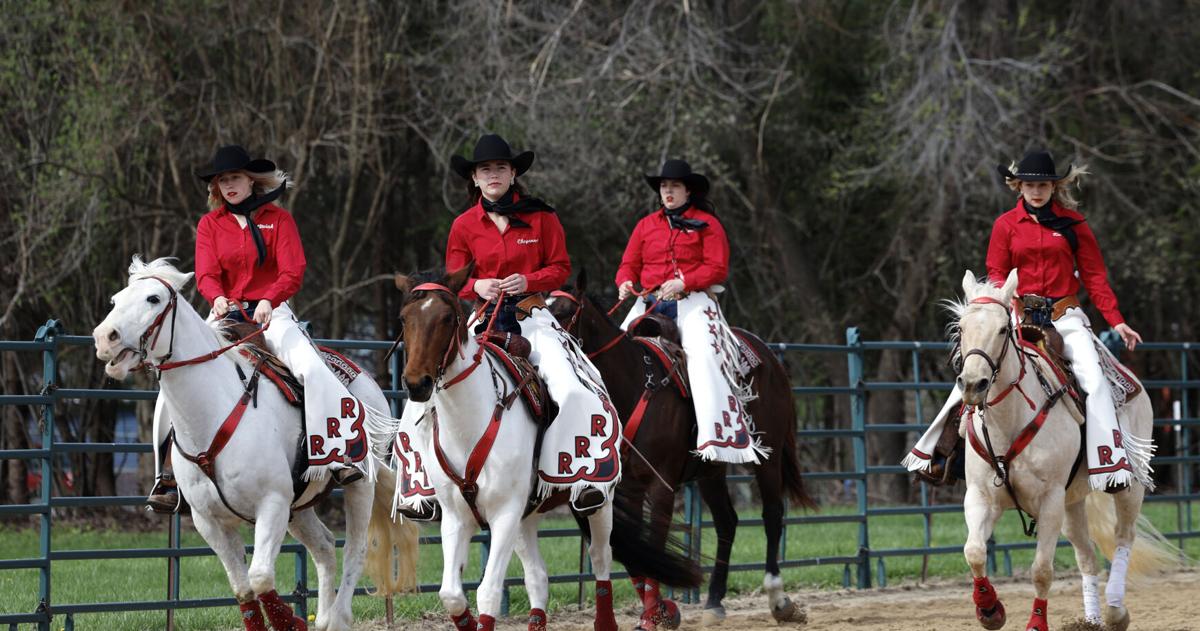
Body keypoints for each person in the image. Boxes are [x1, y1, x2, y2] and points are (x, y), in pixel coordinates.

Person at [146, 145, 380, 512]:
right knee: (170, 384)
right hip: (225, 315)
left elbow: (293, 270)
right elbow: (206, 273)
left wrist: (271, 299)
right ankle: (166, 476)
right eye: (222, 180)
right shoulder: (210, 224)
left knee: (313, 369)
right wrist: (216, 296)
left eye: (235, 177)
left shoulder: (279, 220)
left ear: (251, 180)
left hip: (273, 313)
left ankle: (337, 456)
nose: (229, 185)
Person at [903, 150, 1151, 492]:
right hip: (1017, 316)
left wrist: (1117, 321)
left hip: (1065, 317)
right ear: (1018, 185)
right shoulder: (1005, 225)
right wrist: (1008, 305)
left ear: (1054, 186)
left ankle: (1108, 464)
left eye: (1044, 184)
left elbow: (1094, 277)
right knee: (974, 374)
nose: (1037, 191)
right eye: (1030, 184)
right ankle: (937, 455)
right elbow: (996, 273)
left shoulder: (1074, 226)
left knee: (1093, 380)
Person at [444, 133, 620, 512]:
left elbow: (561, 268)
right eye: (485, 169)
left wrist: (529, 280)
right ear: (474, 178)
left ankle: (577, 474)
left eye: (500, 168)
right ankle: (420, 483)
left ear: (512, 174)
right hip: (482, 317)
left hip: (533, 313)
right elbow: (453, 278)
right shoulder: (463, 225)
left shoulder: (542, 216)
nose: (493, 174)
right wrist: (478, 284)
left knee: (570, 385)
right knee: (438, 379)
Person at [614, 159, 764, 464]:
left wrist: (684, 281)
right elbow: (629, 263)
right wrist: (625, 281)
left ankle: (715, 437)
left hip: (693, 301)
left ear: (688, 191)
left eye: (675, 186)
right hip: (650, 301)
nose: (668, 191)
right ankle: (608, 438)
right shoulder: (645, 225)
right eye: (664, 186)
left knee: (703, 357)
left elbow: (717, 267)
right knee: (615, 353)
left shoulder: (709, 224)